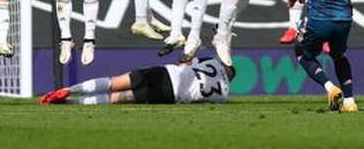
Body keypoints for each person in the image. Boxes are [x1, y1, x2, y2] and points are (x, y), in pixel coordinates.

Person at [39, 56, 235, 105]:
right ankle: (71, 102)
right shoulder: (223, 96)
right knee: (118, 98)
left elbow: (184, 62)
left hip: (166, 73)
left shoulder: (210, 62)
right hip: (171, 94)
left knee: (114, 81)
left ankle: (69, 90)